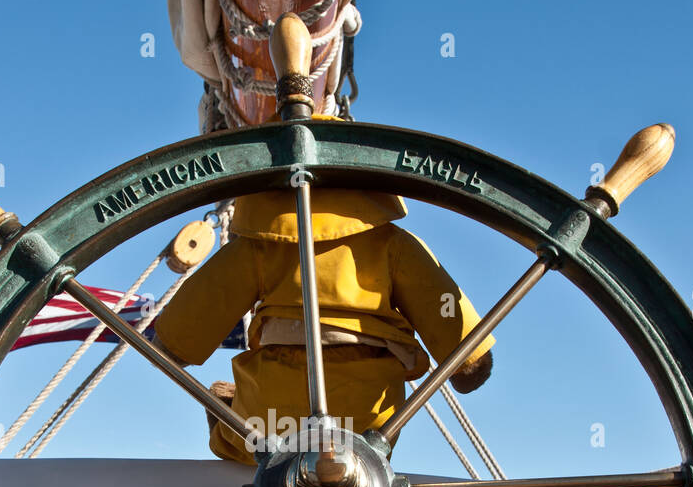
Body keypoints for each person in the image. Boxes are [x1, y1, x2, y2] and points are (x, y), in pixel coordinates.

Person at [153, 171, 494, 465]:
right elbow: (445, 306)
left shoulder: (257, 246)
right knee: (362, 445)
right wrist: (470, 364)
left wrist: (172, 345)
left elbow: (185, 327)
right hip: (367, 426)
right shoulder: (395, 245)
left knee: (228, 416)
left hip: (269, 421)